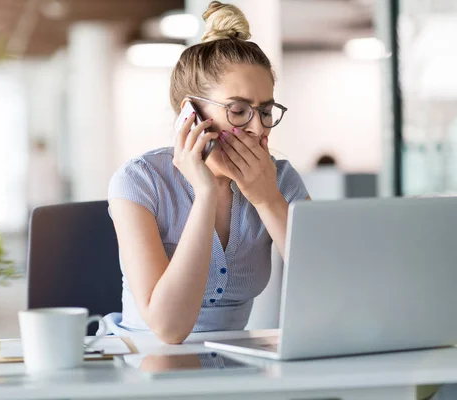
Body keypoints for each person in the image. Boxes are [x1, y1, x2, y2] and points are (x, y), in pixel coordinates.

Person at [102, 1, 310, 344]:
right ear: (191, 114)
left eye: (266, 111)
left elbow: (330, 290)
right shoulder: (139, 182)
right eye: (239, 110)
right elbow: (169, 329)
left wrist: (267, 199)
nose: (258, 128)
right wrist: (206, 195)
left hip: (235, 362)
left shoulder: (280, 180)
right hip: (142, 357)